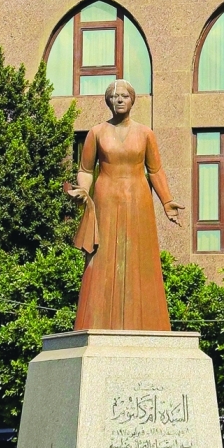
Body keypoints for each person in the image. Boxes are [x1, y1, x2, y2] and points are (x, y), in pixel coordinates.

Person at [66, 79, 184, 331]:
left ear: (132, 100)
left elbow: (155, 170)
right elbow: (86, 169)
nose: (119, 99)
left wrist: (166, 200)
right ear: (108, 101)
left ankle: (147, 322)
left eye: (124, 96)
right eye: (114, 96)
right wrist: (83, 192)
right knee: (101, 258)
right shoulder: (96, 132)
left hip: (138, 200)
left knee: (140, 258)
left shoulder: (145, 134)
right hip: (105, 199)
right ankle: (95, 321)